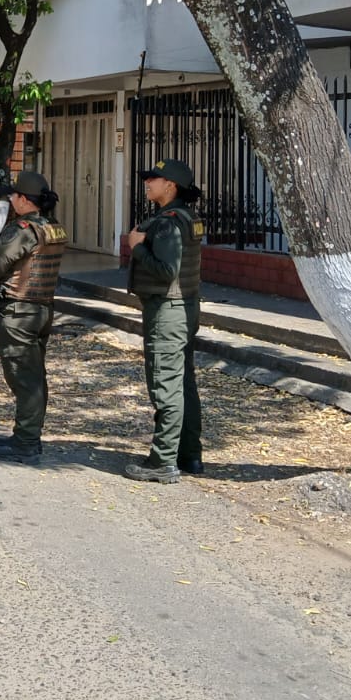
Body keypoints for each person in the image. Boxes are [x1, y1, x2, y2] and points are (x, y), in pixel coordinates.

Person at [0, 170, 68, 463]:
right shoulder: (52, 227)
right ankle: (27, 436)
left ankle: (26, 442)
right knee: (35, 375)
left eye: (14, 195)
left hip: (19, 311)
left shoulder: (23, 229)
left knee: (24, 378)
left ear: (25, 200)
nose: (11, 199)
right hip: (42, 310)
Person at [124, 158, 205, 483]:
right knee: (183, 383)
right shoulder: (185, 218)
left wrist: (137, 248)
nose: (147, 183)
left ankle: (162, 461)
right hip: (184, 307)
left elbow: (167, 270)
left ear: (170, 186)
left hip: (168, 312)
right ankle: (189, 455)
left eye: (153, 179)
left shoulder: (170, 222)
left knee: (166, 385)